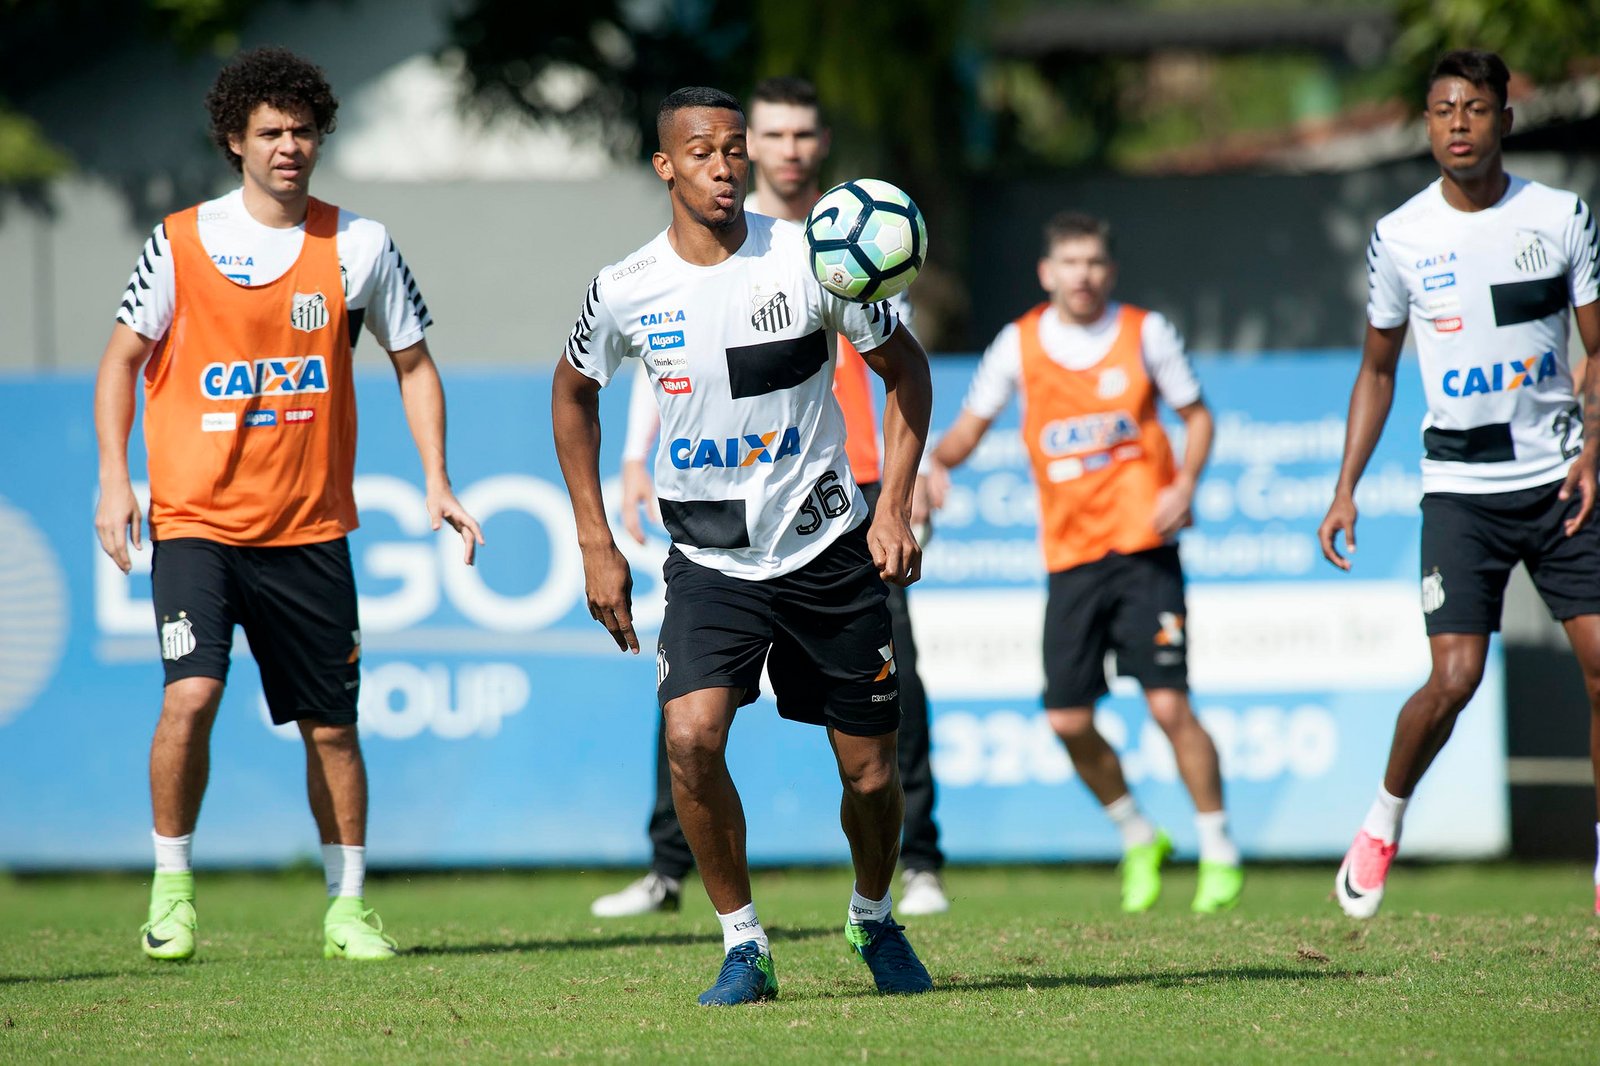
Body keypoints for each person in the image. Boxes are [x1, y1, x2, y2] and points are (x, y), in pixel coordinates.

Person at [93, 47, 483, 962]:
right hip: (197, 522)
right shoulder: (181, 242)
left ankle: (347, 910)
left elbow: (413, 364)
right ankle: (173, 892)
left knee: (333, 728)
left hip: (310, 530)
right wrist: (115, 479)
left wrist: (437, 477)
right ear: (235, 140)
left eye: (303, 130)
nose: (288, 147)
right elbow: (118, 362)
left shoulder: (360, 245)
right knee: (190, 697)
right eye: (269, 132)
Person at [551, 86, 935, 1004]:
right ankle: (744, 946)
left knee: (872, 774)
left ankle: (874, 920)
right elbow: (571, 394)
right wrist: (595, 540)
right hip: (710, 561)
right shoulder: (625, 287)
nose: (722, 168)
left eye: (733, 150)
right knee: (691, 736)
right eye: (701, 153)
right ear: (665, 166)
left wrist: (895, 508)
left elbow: (906, 369)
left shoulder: (811, 259)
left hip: (827, 547)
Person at [1319, 49, 1600, 919]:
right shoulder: (1401, 235)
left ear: (1505, 120)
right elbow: (1376, 372)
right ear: (1428, 124)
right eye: (1443, 110)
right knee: (1455, 679)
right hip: (1461, 493)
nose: (1459, 124)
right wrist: (1345, 488)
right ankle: (1383, 819)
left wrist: (1594, 446)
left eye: (1475, 108)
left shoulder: (1560, 218)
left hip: (1561, 480)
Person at [928, 211, 1244, 914]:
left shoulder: (1145, 333)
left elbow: (1198, 416)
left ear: (1111, 271)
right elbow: (968, 430)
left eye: (1095, 262)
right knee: (1067, 719)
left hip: (1143, 550)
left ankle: (1218, 848)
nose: (1083, 275)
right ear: (1047, 273)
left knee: (1168, 704)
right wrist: (933, 467)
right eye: (1070, 262)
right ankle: (1139, 835)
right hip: (1071, 557)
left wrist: (1184, 485)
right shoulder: (1019, 344)